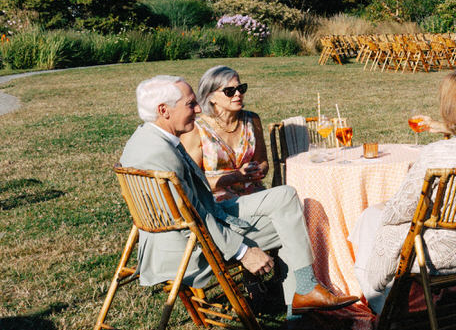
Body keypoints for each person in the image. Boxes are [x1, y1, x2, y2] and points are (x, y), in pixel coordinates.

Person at [119, 75, 357, 314]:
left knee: (285, 197)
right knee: (290, 224)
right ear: (164, 110)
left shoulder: (146, 140)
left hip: (204, 220)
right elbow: (195, 217)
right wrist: (243, 252)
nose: (199, 108)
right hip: (189, 249)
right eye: (191, 104)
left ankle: (304, 292)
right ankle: (299, 304)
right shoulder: (160, 155)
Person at [352, 69, 456, 313]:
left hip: (439, 254)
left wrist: (382, 211)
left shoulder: (437, 154)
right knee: (377, 218)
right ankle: (391, 301)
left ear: (448, 109)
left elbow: (400, 210)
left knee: (372, 218)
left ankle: (380, 304)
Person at [181, 65, 268, 202]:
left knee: (287, 197)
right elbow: (191, 181)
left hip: (253, 195)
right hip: (216, 201)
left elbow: (263, 161)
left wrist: (257, 171)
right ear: (211, 97)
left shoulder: (252, 120)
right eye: (229, 91)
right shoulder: (197, 129)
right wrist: (236, 177)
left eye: (241, 88)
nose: (238, 94)